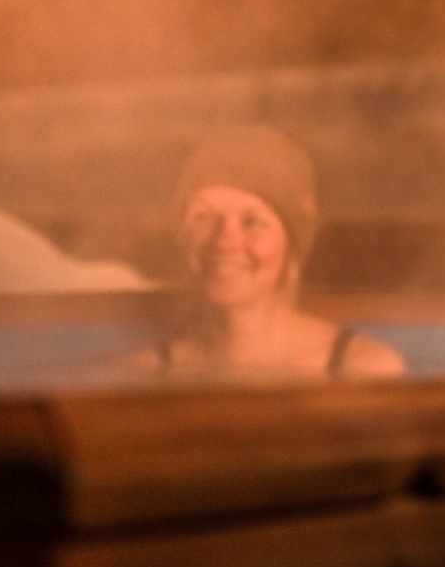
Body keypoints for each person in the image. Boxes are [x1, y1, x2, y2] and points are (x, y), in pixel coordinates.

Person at [135, 125, 405, 379]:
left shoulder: (361, 370)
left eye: (252, 222)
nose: (225, 241)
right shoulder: (145, 375)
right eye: (204, 218)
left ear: (292, 243)